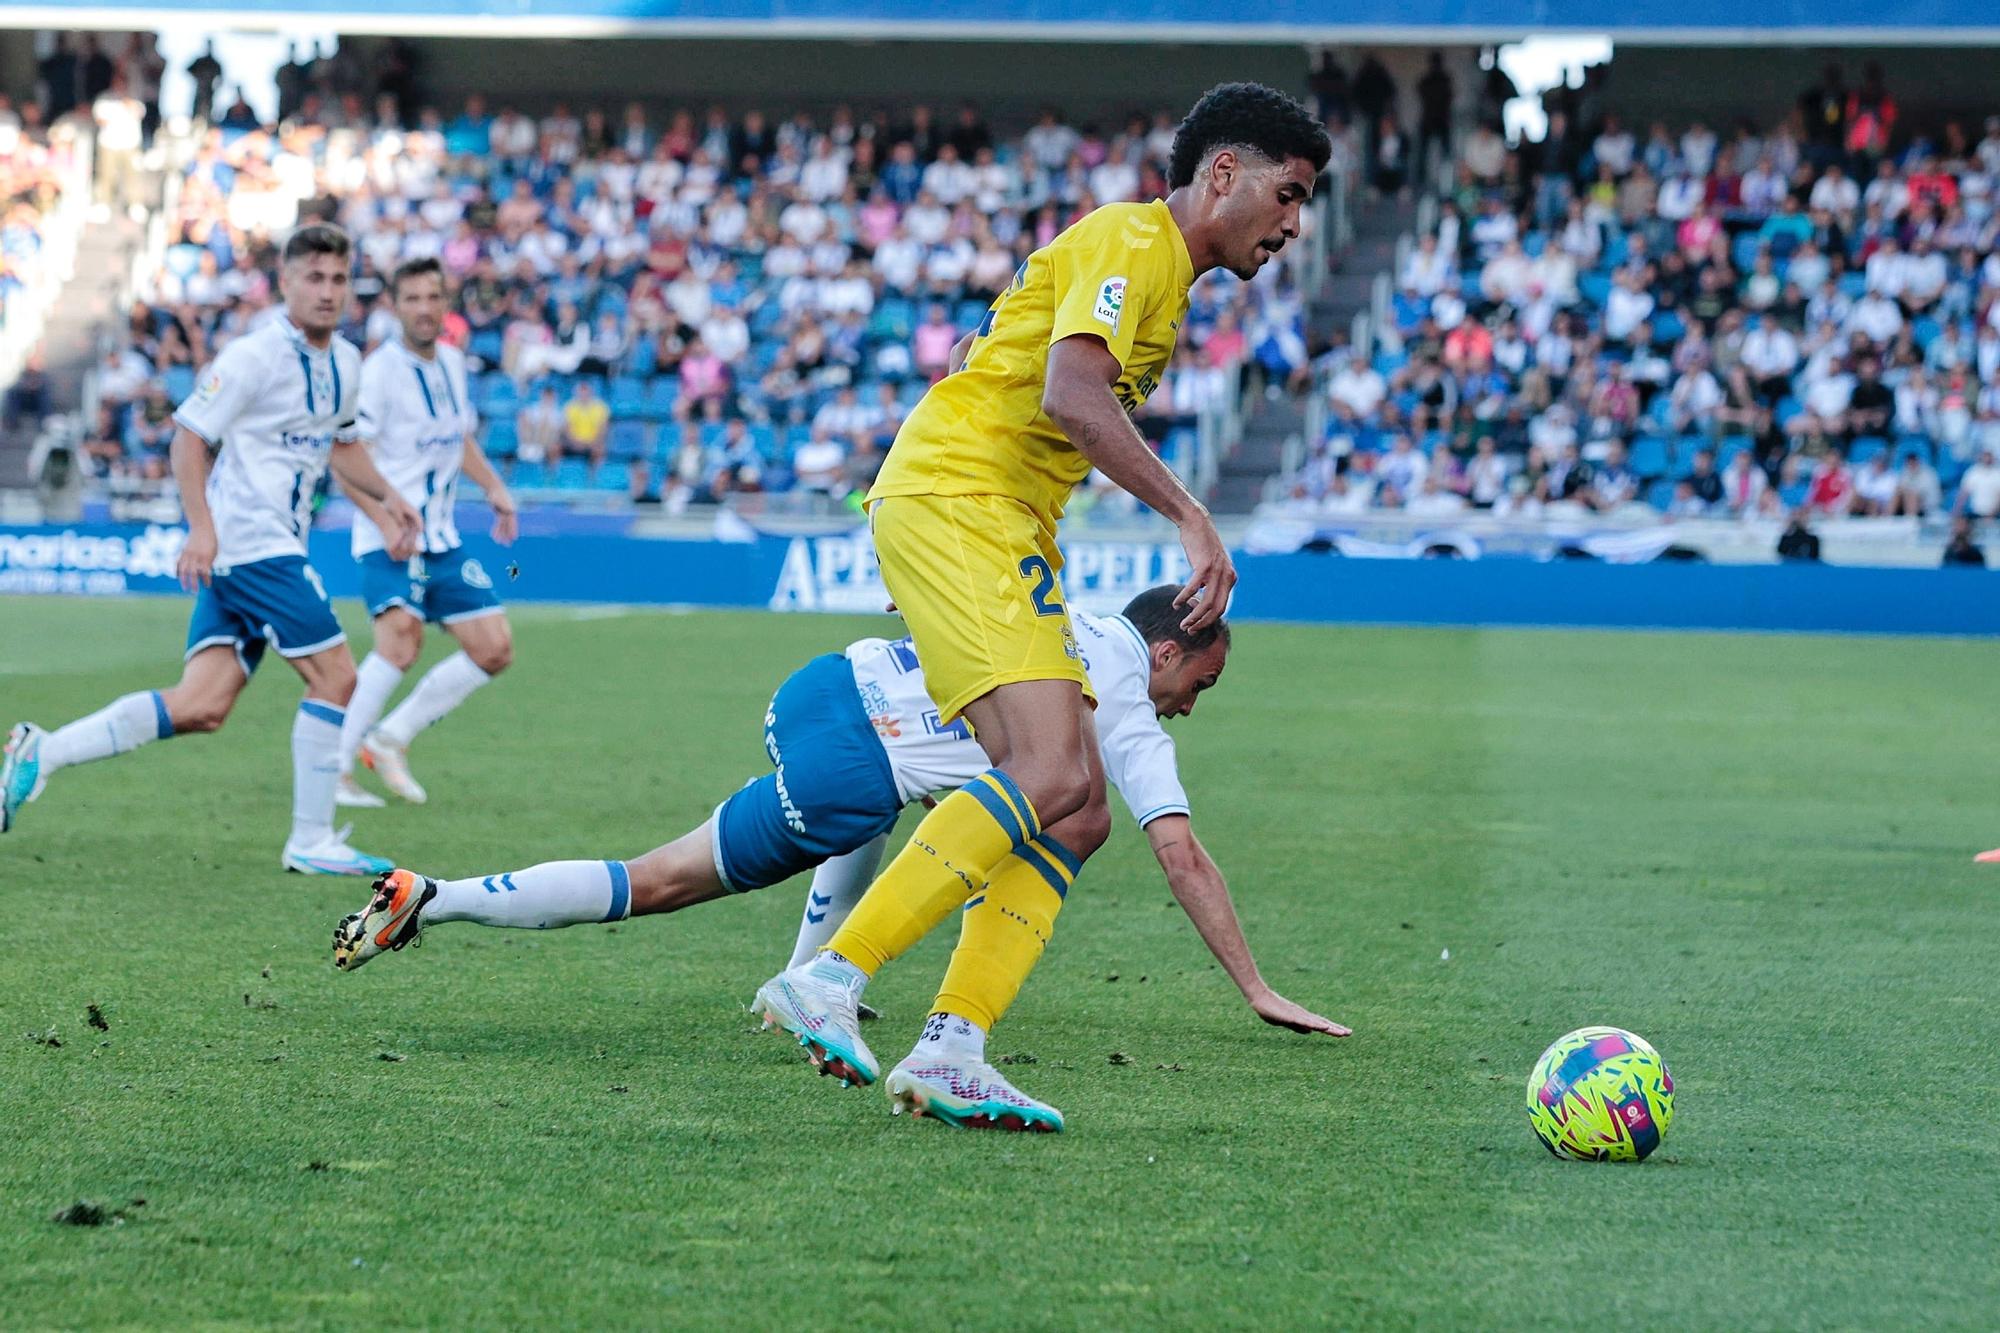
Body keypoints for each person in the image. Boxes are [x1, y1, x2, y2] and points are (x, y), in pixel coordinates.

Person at [748, 82, 1331, 1131]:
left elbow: (1019, 379)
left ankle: (952, 1048)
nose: (1294, 224)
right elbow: (1070, 393)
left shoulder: (1158, 277)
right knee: (1053, 768)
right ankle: (830, 975)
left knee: (1076, 807)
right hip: (964, 501)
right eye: (1288, 194)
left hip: (995, 515)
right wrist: (1190, 514)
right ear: (1223, 175)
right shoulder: (1134, 241)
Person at [332, 591, 1345, 1108]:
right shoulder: (1123, 703)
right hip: (853, 760)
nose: (1189, 706)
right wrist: (1255, 986)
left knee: (887, 812)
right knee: (671, 877)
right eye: (1198, 684)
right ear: (1167, 649)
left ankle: (437, 895)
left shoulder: (1060, 610)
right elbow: (1181, 853)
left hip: (828, 687)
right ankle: (821, 984)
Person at [2, 225, 421, 871]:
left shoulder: (346, 362)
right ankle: (311, 840)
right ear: (285, 282)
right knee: (337, 676)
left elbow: (342, 446)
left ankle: (43, 751)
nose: (327, 291)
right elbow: (189, 436)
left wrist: (390, 497)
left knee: (201, 705)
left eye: (338, 279)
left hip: (269, 545)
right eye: (313, 277)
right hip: (252, 544)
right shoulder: (253, 356)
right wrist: (201, 528)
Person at [333, 257, 519, 810]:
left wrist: (494, 487)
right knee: (398, 643)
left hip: (440, 537)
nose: (423, 308)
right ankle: (334, 768)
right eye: (411, 298)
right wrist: (384, 521)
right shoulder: (379, 373)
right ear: (395, 307)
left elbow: (457, 439)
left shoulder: (453, 363)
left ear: (445, 304)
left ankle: (389, 739)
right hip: (388, 533)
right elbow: (346, 462)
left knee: (494, 648)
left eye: (432, 297)